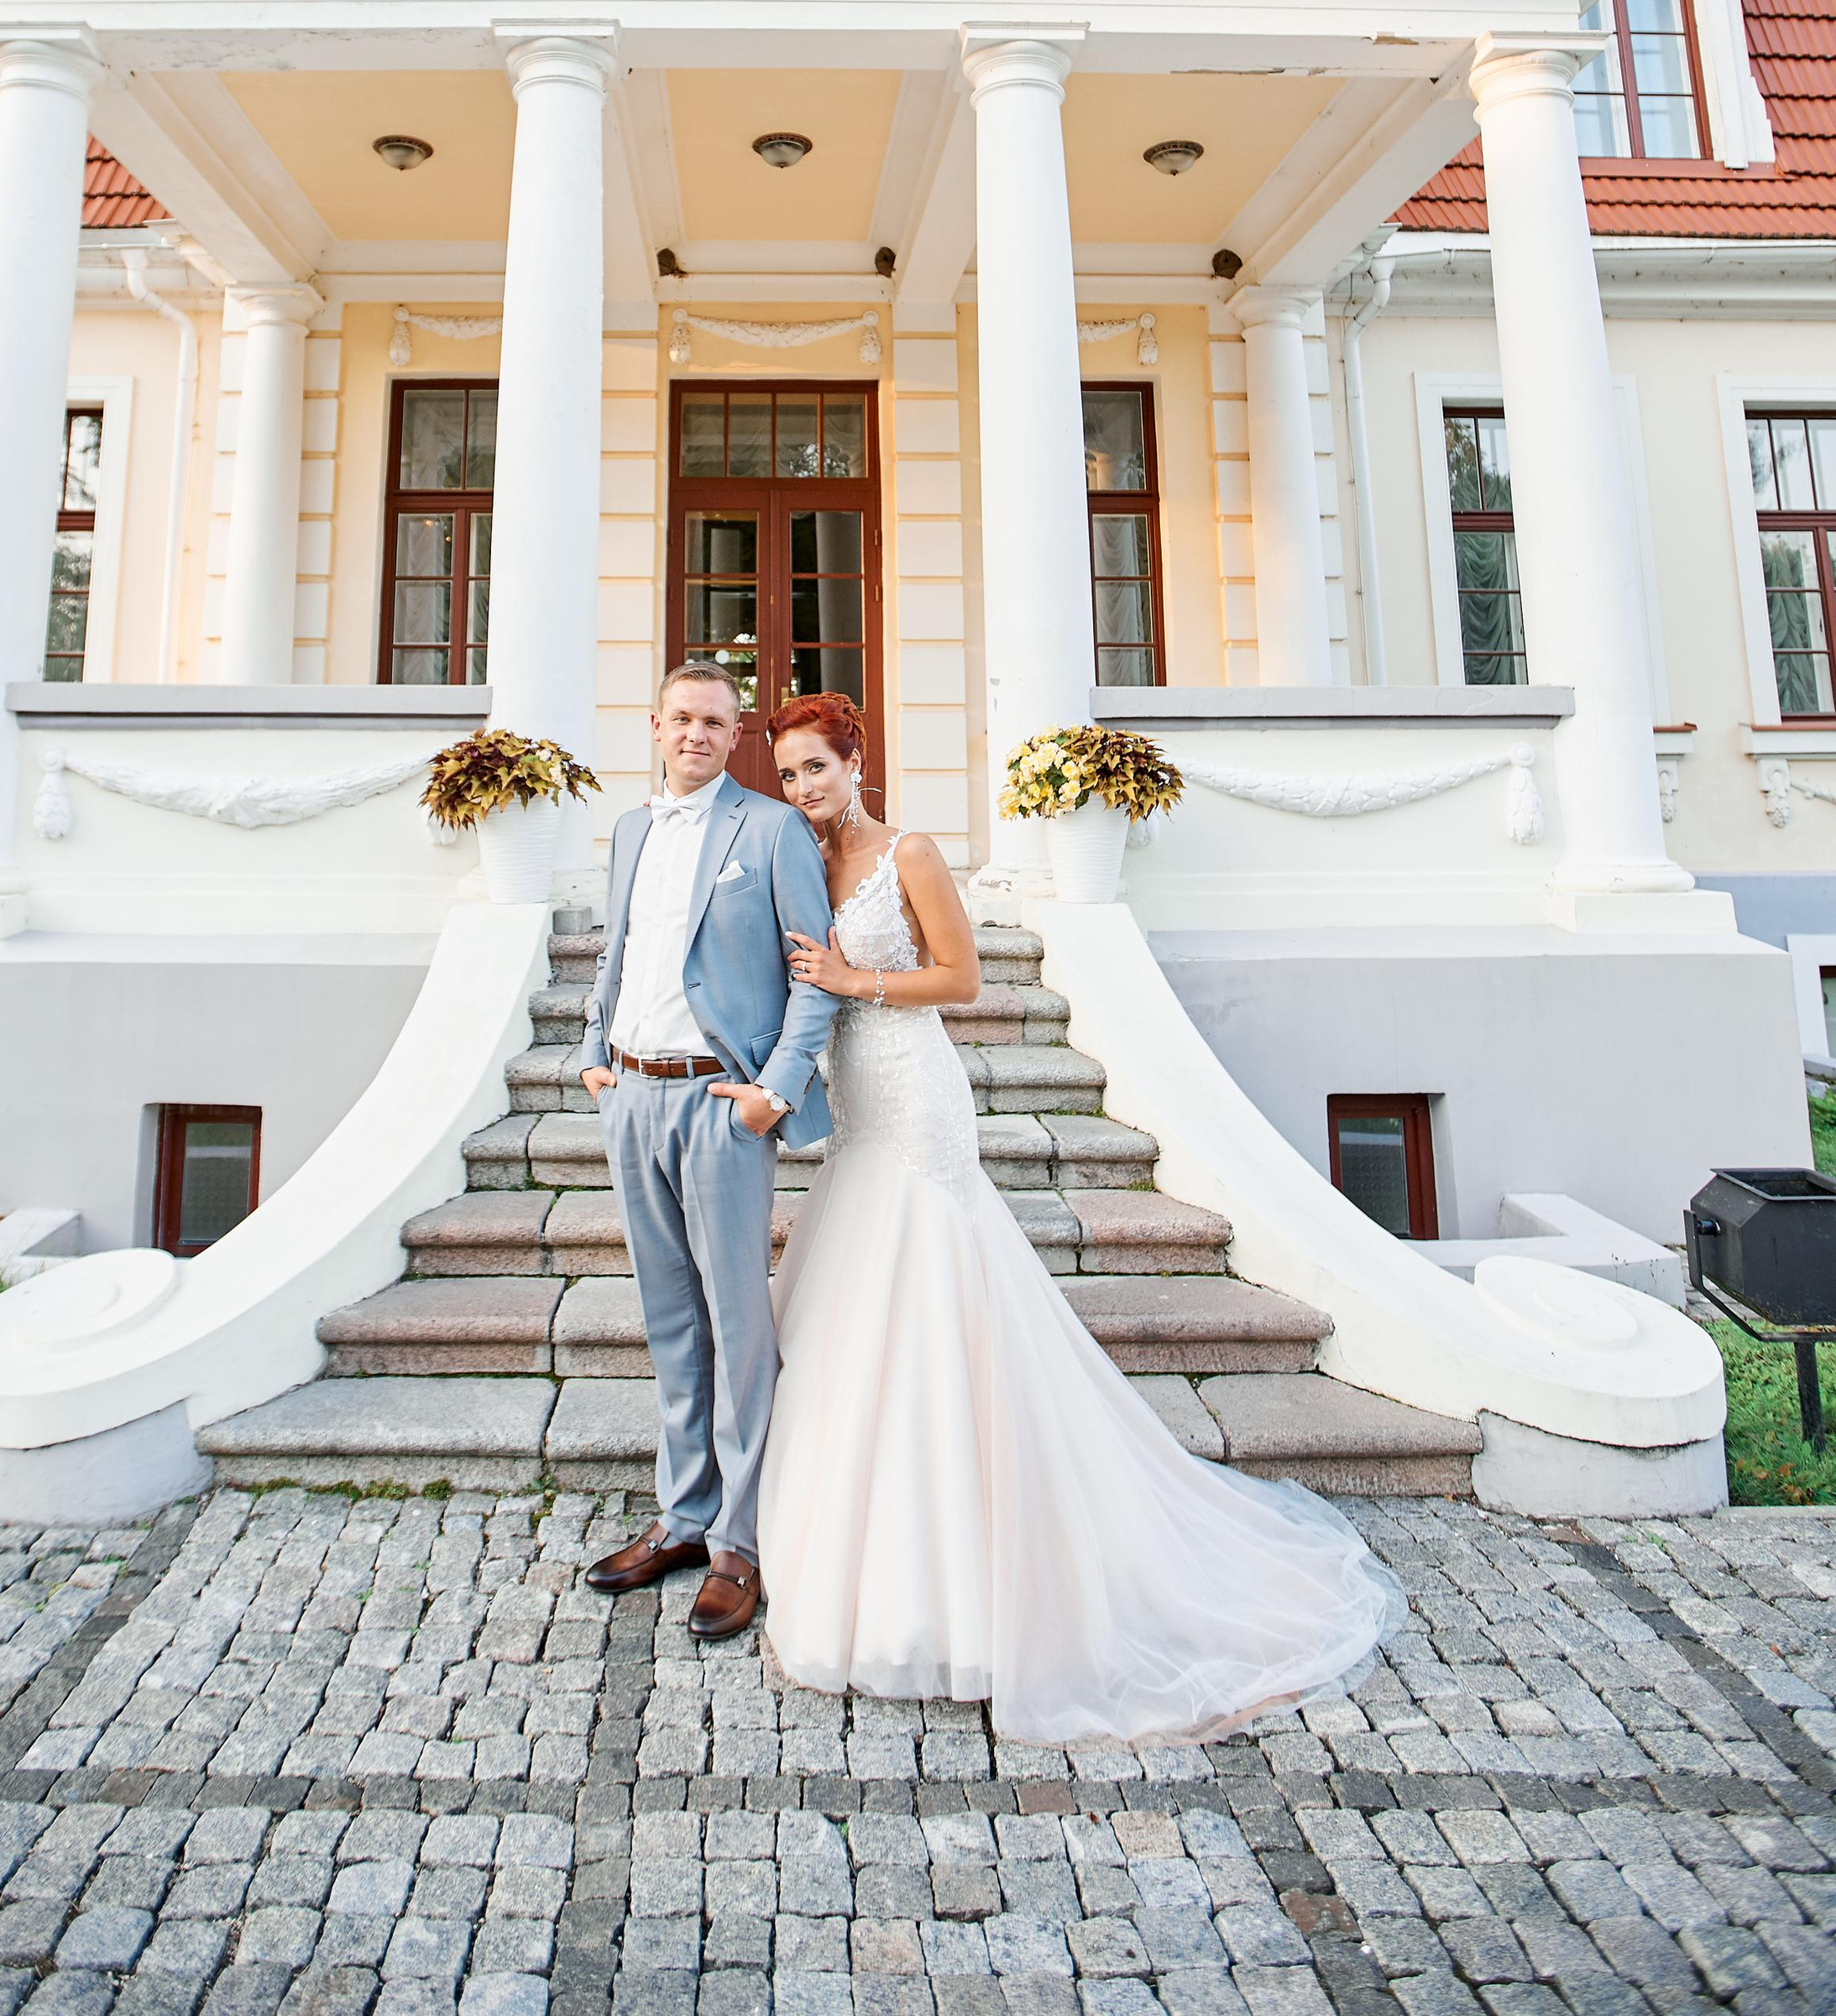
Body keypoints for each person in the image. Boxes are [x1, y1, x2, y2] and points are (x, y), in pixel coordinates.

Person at [756, 690, 1406, 1746]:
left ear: (855, 760)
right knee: (849, 1298)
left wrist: (852, 977)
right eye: (786, 774)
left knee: (932, 1288)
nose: (801, 789)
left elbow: (960, 977)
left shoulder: (906, 851)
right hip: (856, 1107)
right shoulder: (802, 858)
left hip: (917, 1099)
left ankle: (974, 1556)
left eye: (815, 769)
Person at [577, 661, 840, 1640]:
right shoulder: (632, 829)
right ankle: (683, 1517)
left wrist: (773, 1092)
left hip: (718, 1104)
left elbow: (810, 974)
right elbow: (620, 948)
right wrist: (591, 1055)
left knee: (738, 1327)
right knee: (669, 1320)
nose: (696, 734)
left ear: (735, 737)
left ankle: (741, 1541)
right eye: (681, 718)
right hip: (631, 1094)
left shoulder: (770, 830)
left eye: (714, 722)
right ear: (655, 725)